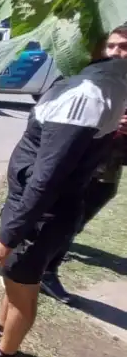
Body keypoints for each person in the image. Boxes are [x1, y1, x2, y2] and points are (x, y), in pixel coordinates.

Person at [0, 24, 127, 357]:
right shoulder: (99, 84)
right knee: (14, 275)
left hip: (43, 214)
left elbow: (47, 177)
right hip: (41, 208)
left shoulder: (87, 94)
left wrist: (9, 235)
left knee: (23, 286)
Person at [39, 114, 127, 303]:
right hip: (85, 162)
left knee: (76, 219)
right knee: (65, 217)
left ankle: (42, 264)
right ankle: (44, 270)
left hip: (108, 168)